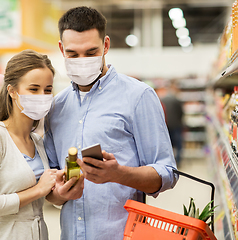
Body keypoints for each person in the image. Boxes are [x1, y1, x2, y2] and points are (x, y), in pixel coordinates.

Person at [44, 6, 178, 240]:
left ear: (106, 45)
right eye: (73, 54)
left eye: (91, 52)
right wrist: (60, 193)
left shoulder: (138, 97)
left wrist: (119, 174)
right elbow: (52, 189)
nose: (82, 61)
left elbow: (167, 173)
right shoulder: (56, 107)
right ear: (61, 49)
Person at [0, 49, 57, 240]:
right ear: (12, 91)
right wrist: (37, 190)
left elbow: (46, 195)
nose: (42, 95)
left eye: (48, 90)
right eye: (33, 89)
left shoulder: (37, 141)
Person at [161, 79, 184, 166]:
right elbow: (181, 112)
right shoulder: (176, 99)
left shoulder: (163, 99)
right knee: (178, 145)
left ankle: (169, 162)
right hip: (176, 125)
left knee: (168, 145)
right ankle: (178, 161)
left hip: (166, 125)